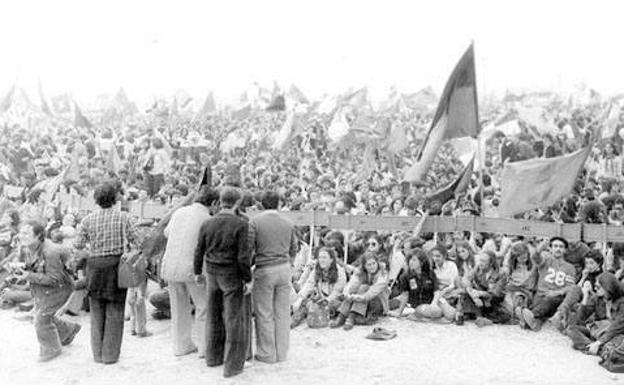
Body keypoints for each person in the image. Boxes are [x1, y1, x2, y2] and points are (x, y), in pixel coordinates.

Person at [74, 181, 140, 364]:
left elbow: (77, 244)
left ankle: (97, 354)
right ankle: (110, 356)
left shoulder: (88, 220)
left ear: (96, 200)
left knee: (96, 312)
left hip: (94, 267)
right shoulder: (124, 217)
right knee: (115, 311)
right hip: (115, 267)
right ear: (115, 198)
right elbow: (139, 240)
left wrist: (92, 249)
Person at [193, 187, 252, 378]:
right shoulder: (240, 224)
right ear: (237, 203)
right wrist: (247, 279)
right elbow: (243, 257)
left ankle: (213, 357)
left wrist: (196, 272)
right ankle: (233, 366)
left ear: (220, 201)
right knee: (234, 319)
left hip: (211, 273)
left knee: (213, 315)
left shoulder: (207, 223)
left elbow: (198, 250)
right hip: (231, 274)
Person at [13, 220, 81, 361]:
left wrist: (29, 276)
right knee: (44, 314)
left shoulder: (51, 252)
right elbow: (31, 265)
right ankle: (68, 331)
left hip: (59, 289)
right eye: (21, 232)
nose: (21, 235)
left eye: (26, 233)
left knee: (40, 320)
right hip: (42, 288)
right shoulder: (27, 247)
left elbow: (55, 279)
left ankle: (52, 349)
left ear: (38, 236)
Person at [160, 186, 214, 357]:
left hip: (171, 264)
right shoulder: (207, 218)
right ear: (213, 203)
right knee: (202, 306)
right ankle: (204, 348)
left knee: (178, 307)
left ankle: (181, 346)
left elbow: (166, 232)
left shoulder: (179, 212)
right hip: (192, 268)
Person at [248, 190, 298, 363]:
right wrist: (288, 263)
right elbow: (294, 249)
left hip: (264, 268)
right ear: (278, 203)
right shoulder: (288, 223)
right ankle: (282, 352)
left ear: (261, 204)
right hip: (284, 269)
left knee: (264, 313)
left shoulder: (255, 222)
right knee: (282, 313)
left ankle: (267, 353)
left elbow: (250, 249)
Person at [515, 237, 576, 331]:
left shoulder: (570, 267)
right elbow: (535, 257)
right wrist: (540, 248)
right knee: (539, 307)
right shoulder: (545, 261)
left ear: (565, 250)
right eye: (555, 246)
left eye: (561, 247)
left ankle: (530, 315)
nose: (558, 249)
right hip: (540, 295)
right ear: (550, 249)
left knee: (549, 301)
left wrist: (557, 292)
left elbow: (570, 287)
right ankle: (534, 323)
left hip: (555, 297)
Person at [566, 272, 624, 355]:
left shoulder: (622, 302)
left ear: (608, 288)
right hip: (598, 331)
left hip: (614, 333)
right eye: (595, 286)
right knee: (571, 329)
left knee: (611, 330)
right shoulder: (597, 298)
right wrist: (585, 297)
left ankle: (592, 347)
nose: (595, 289)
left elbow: (617, 326)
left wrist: (599, 342)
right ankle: (596, 348)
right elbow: (579, 320)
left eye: (598, 287)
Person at [330, 252, 389, 330]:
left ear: (377, 263)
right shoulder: (360, 272)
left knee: (364, 287)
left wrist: (361, 297)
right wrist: (347, 294)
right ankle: (341, 316)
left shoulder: (383, 273)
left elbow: (375, 290)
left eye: (374, 263)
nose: (372, 267)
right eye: (369, 265)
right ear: (364, 266)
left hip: (377, 302)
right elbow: (352, 283)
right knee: (358, 289)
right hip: (363, 302)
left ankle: (352, 316)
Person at [291, 247, 346, 328]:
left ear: (331, 260)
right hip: (320, 297)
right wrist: (300, 299)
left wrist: (327, 300)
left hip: (334, 300)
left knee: (316, 305)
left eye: (324, 257)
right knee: (304, 302)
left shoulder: (340, 272)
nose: (321, 260)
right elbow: (309, 284)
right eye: (320, 257)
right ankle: (294, 320)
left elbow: (337, 292)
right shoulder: (317, 269)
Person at [388, 249, 440, 319]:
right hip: (418, 305)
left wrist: (434, 303)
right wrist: (399, 313)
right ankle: (418, 314)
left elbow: (436, 291)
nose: (410, 262)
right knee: (435, 313)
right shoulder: (405, 276)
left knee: (450, 314)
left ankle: (419, 316)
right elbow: (405, 296)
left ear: (421, 262)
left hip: (433, 302)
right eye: (410, 260)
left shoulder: (430, 273)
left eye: (414, 260)